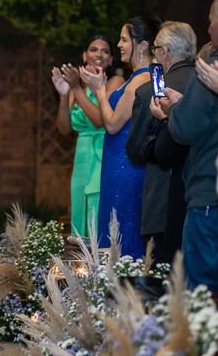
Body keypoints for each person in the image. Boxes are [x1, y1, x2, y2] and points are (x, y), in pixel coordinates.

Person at [158, 0, 218, 292]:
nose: (208, 27)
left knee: (202, 296)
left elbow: (185, 127)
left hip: (209, 194)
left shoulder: (217, 63)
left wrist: (174, 109)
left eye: (211, 20)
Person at [80, 16, 161, 258]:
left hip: (124, 166)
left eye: (124, 39)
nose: (119, 44)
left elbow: (113, 124)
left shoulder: (139, 80)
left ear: (143, 45)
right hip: (124, 162)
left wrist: (100, 91)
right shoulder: (155, 74)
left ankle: (123, 286)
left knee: (121, 231)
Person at [127, 22, 196, 264]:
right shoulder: (206, 86)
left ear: (164, 52)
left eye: (155, 49)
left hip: (162, 204)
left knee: (161, 286)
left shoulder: (149, 92)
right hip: (199, 200)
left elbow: (135, 151)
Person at [51, 35, 123, 239]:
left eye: (105, 51)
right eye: (93, 49)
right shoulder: (78, 88)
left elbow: (101, 120)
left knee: (98, 210)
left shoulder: (114, 82)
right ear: (84, 55)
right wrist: (65, 94)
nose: (99, 54)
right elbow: (64, 129)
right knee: (79, 213)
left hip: (103, 155)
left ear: (110, 60)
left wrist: (75, 87)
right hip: (81, 159)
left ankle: (100, 265)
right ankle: (81, 269)